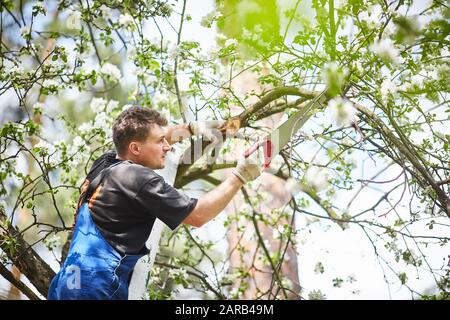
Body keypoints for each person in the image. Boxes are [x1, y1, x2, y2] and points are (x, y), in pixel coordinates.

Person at [48, 106, 262, 300]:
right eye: (160, 141)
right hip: (95, 289)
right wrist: (240, 176)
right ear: (136, 148)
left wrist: (190, 129)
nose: (168, 147)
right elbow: (198, 215)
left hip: (65, 285)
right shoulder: (138, 178)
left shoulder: (106, 164)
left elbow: (138, 138)